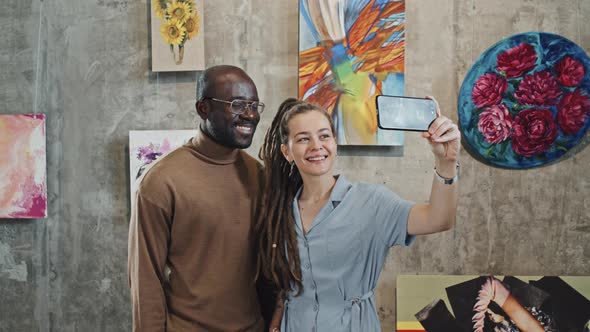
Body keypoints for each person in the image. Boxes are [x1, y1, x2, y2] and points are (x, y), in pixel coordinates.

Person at [255, 98, 461, 332]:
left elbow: (439, 218)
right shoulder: (280, 211)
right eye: (303, 139)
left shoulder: (371, 202)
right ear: (287, 151)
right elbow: (285, 285)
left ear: (334, 142)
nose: (316, 146)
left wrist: (446, 162)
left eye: (324, 136)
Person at [128, 65, 267, 331]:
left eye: (254, 105)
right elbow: (145, 280)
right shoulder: (161, 182)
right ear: (203, 108)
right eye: (237, 104)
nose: (250, 115)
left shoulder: (258, 175)